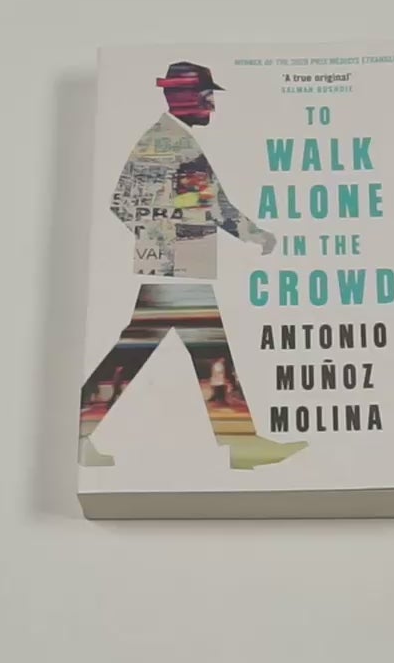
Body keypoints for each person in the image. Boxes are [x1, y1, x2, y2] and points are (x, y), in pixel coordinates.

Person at [78, 62, 307, 470]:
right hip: (176, 269)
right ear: (186, 98)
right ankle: (242, 445)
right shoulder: (164, 142)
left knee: (177, 351)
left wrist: (251, 234)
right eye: (207, 97)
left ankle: (241, 444)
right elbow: (127, 204)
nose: (212, 106)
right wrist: (171, 241)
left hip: (179, 267)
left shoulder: (175, 140)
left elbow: (208, 204)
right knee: (198, 351)